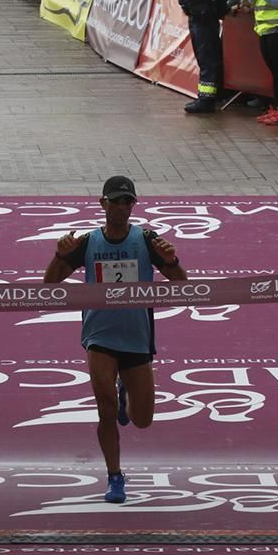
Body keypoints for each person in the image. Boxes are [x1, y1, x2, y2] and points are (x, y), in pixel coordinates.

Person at [43, 176, 188, 503]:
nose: (122, 207)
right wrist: (57, 255)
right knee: (105, 411)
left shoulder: (147, 240)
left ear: (133, 205)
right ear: (102, 204)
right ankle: (114, 476)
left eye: (128, 202)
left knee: (143, 420)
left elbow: (182, 282)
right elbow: (49, 282)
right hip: (99, 336)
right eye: (116, 201)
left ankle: (126, 394)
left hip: (137, 338)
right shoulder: (87, 242)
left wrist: (172, 260)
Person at [157, 0, 228, 113]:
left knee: (207, 58)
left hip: (204, 16)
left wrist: (215, 10)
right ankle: (211, 95)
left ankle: (206, 99)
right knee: (203, 57)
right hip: (195, 14)